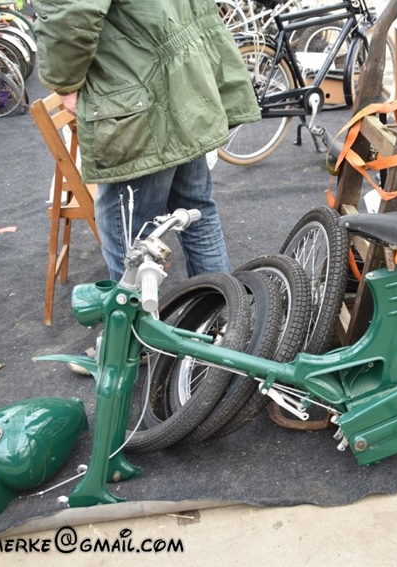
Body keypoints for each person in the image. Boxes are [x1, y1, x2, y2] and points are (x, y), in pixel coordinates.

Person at [33, 0, 260, 373]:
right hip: (179, 75)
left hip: (134, 90)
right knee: (196, 211)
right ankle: (228, 327)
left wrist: (65, 81)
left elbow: (72, 11)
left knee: (131, 235)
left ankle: (131, 345)